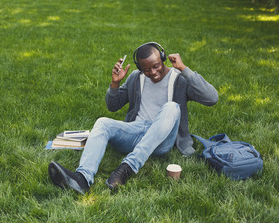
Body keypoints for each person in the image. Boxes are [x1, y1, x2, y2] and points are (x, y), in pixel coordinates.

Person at [48, 42, 218, 194]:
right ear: (140, 68)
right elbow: (113, 106)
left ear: (164, 59)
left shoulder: (179, 78)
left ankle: (126, 168)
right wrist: (115, 84)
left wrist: (184, 69)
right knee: (102, 122)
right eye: (146, 69)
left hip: (161, 140)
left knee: (172, 107)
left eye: (156, 66)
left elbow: (211, 98)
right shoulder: (137, 78)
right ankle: (82, 179)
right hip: (136, 132)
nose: (153, 73)